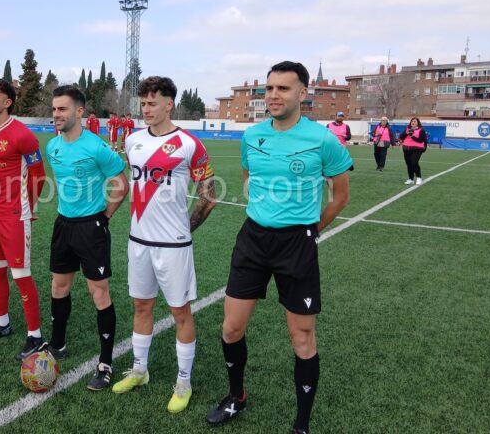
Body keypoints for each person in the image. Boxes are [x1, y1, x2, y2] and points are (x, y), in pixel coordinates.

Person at [206, 61, 352, 434]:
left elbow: (340, 197)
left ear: (303, 94)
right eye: (269, 88)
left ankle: (301, 424)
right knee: (231, 329)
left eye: (283, 89)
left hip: (296, 244)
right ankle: (236, 395)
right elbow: (247, 176)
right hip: (253, 238)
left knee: (302, 337)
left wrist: (310, 229)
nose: (273, 95)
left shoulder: (322, 140)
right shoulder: (252, 136)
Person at [113, 77, 217, 414]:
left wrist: (185, 229)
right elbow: (130, 183)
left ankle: (183, 382)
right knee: (141, 307)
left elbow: (209, 196)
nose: (146, 109)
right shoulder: (133, 141)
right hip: (138, 241)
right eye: (143, 103)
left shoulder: (189, 144)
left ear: (169, 104)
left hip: (173, 246)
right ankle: (140, 371)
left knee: (179, 313)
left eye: (152, 103)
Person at [42, 86, 130, 390]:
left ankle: (105, 363)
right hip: (63, 225)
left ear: (79, 112)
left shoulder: (96, 147)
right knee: (58, 286)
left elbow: (121, 184)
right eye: (54, 109)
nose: (56, 115)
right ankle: (57, 344)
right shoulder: (52, 147)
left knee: (99, 292)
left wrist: (104, 216)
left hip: (91, 228)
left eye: (62, 109)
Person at [0, 78, 48, 360]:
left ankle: (35, 337)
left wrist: (29, 208)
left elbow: (39, 175)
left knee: (20, 274)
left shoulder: (22, 135)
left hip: (15, 215)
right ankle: (2, 323)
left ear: (7, 102)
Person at [398, 116, 427, 185]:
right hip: (406, 148)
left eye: (415, 121)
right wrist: (406, 133)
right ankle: (410, 179)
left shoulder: (421, 130)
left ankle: (419, 177)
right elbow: (401, 137)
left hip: (417, 149)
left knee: (414, 162)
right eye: (412, 121)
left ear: (417, 123)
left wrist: (412, 136)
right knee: (409, 164)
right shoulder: (407, 129)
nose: (413, 122)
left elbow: (421, 140)